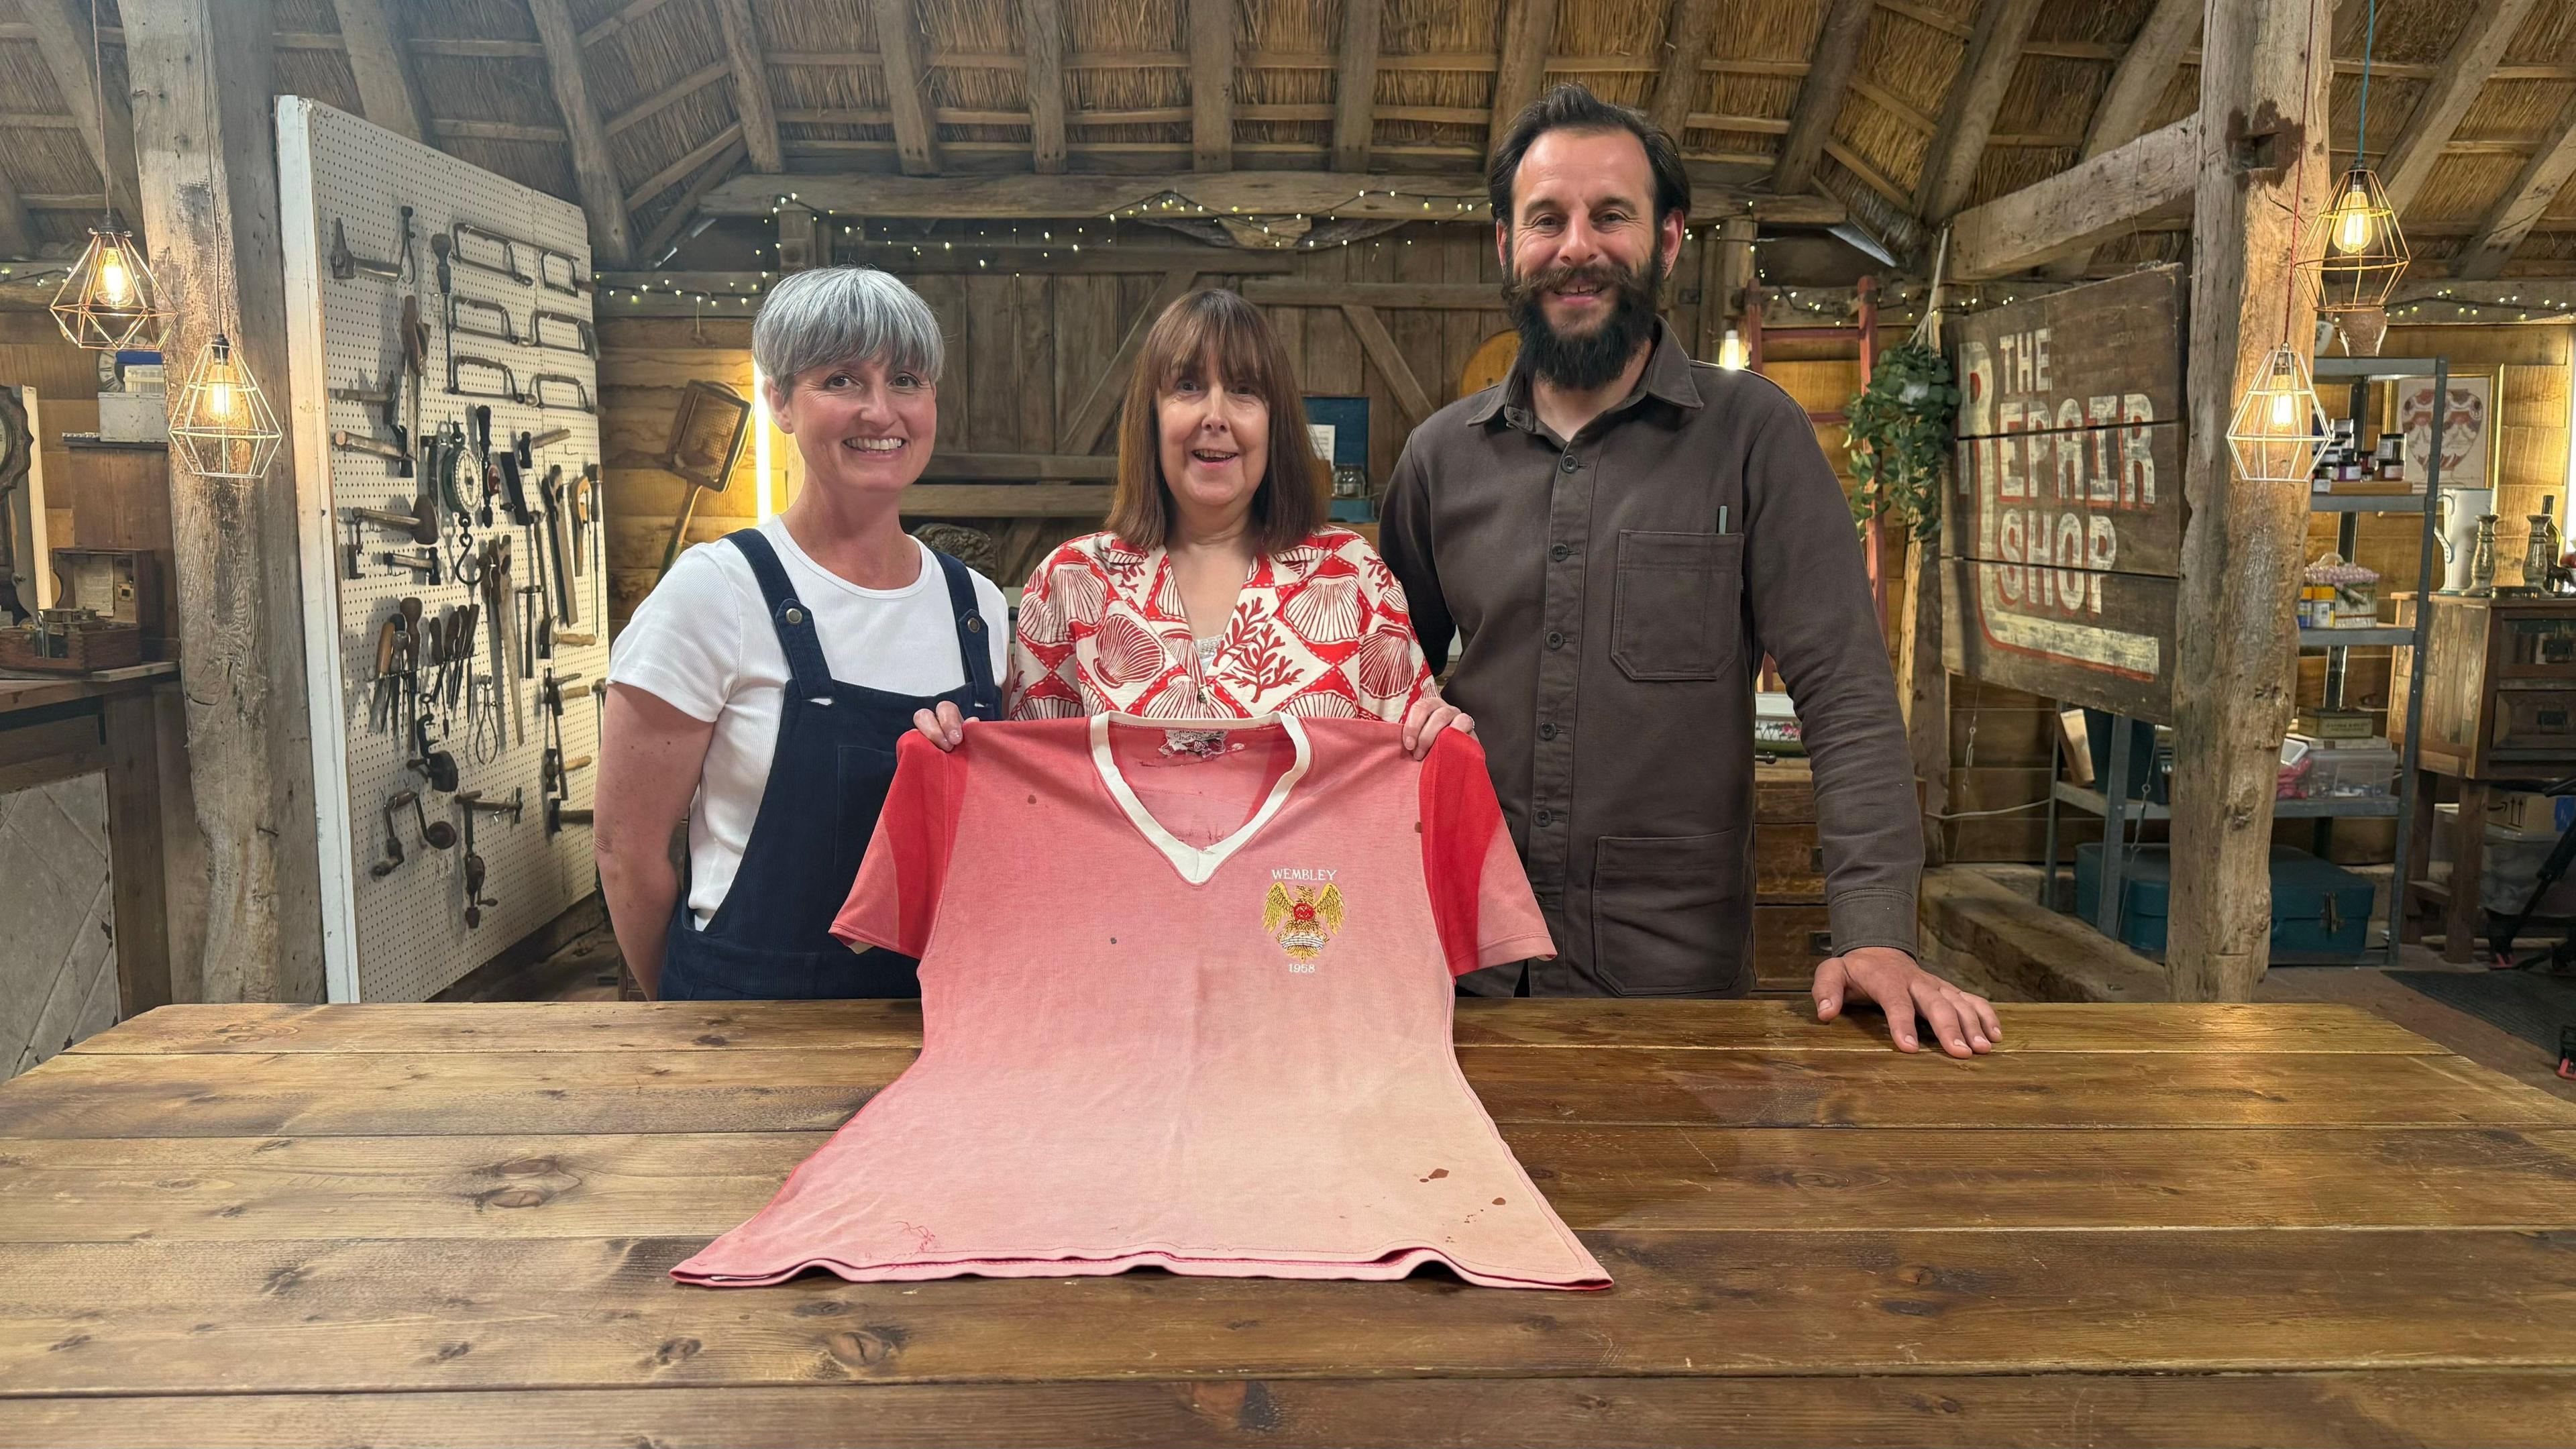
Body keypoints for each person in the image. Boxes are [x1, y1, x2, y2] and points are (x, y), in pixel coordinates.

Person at [1379, 84, 2000, 1056]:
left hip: (1671, 985)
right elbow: (1377, 701)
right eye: (1547, 219)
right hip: (1461, 970)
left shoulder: (1755, 438)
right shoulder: (1438, 460)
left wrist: (1876, 930)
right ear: (1505, 246)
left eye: (1610, 216)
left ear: (1667, 242)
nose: (1576, 246)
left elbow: (1844, 691)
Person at [596, 266, 1008, 1000]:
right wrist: (693, 1014)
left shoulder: (976, 608)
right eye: (842, 381)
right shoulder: (714, 593)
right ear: (779, 400)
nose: (881, 412)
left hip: (932, 1025)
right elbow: (626, 853)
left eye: (906, 380)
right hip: (745, 1032)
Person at [913, 287, 1468, 752]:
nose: (1216, 416)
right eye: (1188, 387)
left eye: (1245, 392)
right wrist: (961, 752)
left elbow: (1407, 774)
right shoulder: (1071, 582)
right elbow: (1034, 791)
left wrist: (1440, 738)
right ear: (1150, 417)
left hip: (1301, 890)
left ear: (1275, 423)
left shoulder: (1353, 579)